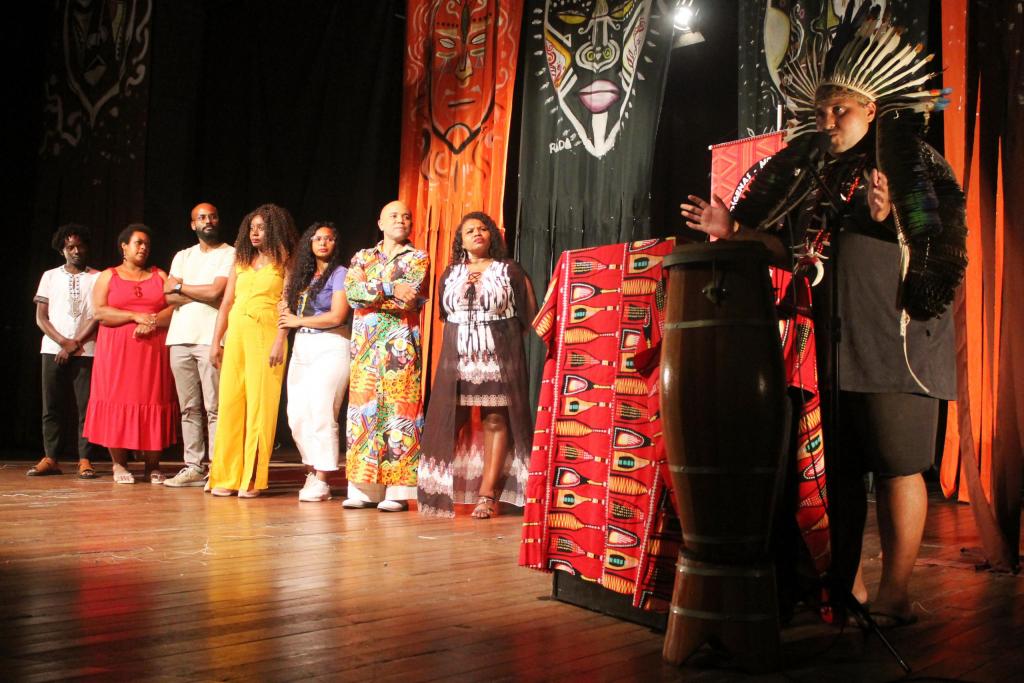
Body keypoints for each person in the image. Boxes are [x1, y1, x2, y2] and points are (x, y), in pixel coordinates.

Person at [680, 7, 966, 628]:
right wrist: (735, 230)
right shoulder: (810, 173)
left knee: (897, 464)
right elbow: (791, 249)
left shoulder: (913, 165)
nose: (829, 121)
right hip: (830, 347)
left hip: (897, 344)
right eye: (822, 112)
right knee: (840, 475)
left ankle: (895, 592)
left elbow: (939, 246)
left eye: (842, 110)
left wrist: (892, 217)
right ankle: (846, 588)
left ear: (872, 109)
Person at [418, 212, 537, 518]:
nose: (477, 233)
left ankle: (488, 494)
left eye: (483, 228)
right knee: (450, 419)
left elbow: (529, 314)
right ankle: (438, 489)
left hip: (496, 356)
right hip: (457, 357)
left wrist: (502, 342)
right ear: (461, 240)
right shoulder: (451, 273)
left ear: (491, 235)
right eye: (469, 230)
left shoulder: (508, 270)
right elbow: (445, 315)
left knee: (495, 420)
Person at [343, 200, 429, 512]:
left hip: (399, 349)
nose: (401, 220)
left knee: (399, 416)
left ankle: (398, 491)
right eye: (394, 215)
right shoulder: (362, 256)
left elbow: (408, 300)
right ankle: (364, 490)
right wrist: (392, 287)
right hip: (366, 351)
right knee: (363, 415)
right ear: (380, 223)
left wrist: (374, 289)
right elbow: (353, 294)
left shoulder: (418, 257)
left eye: (406, 216)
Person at [208, 204, 297, 498]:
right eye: (252, 228)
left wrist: (280, 339)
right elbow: (226, 303)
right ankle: (227, 475)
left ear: (274, 229)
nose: (255, 233)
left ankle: (251, 477)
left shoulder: (285, 261)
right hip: (237, 335)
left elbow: (287, 304)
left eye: (261, 228)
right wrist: (215, 341)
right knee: (231, 403)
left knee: (261, 406)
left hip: (267, 334)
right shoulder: (242, 259)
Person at [83, 225, 180, 483]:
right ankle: (119, 464)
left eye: (147, 243)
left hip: (152, 351)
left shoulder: (159, 275)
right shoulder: (108, 276)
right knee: (116, 399)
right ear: (124, 247)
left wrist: (152, 321)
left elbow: (175, 307)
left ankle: (152, 465)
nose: (144, 247)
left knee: (154, 399)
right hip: (117, 353)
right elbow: (100, 312)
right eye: (138, 242)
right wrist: (133, 315)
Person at [162, 202, 235, 488]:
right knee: (188, 408)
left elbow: (217, 292)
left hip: (210, 338)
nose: (208, 221)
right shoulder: (183, 256)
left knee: (214, 406)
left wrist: (181, 287)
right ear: (193, 224)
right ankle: (193, 466)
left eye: (213, 216)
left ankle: (217, 468)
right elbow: (168, 296)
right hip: (180, 338)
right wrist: (195, 292)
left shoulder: (229, 253)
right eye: (202, 217)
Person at [279, 221, 351, 502]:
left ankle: (323, 478)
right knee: (297, 414)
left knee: (322, 412)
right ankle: (312, 469)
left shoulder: (340, 273)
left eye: (329, 238)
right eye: (317, 238)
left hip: (331, 343)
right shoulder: (303, 275)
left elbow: (337, 315)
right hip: (303, 345)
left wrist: (298, 320)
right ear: (309, 243)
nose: (323, 243)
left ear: (335, 243)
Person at [30, 224, 102, 478]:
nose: (76, 251)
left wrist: (75, 343)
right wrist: (63, 342)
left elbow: (97, 315)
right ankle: (51, 457)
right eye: (70, 247)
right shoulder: (50, 276)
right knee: (51, 405)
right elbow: (41, 317)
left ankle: (85, 459)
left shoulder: (97, 277)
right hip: (53, 349)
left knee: (86, 406)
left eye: (80, 246)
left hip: (87, 350)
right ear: (62, 250)